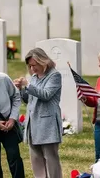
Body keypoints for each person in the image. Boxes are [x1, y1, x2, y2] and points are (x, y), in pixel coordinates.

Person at [14, 47, 63, 178]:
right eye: (30, 66)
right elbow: (27, 100)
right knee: (36, 158)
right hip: (33, 122)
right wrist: (21, 89)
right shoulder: (34, 77)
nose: (32, 69)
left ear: (43, 61)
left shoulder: (54, 75)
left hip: (48, 123)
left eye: (34, 65)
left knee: (50, 158)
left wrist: (28, 85)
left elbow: (46, 95)